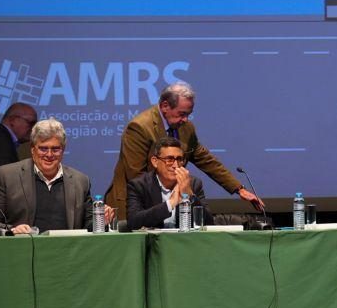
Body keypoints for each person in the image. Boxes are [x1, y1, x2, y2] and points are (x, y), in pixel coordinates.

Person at [105, 82, 263, 219]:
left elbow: (206, 160)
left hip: (167, 202)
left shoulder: (186, 128)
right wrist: (167, 200)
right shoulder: (139, 127)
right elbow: (136, 175)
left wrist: (239, 189)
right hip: (134, 205)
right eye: (182, 114)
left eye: (188, 114)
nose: (186, 119)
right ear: (165, 106)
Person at [0, 118, 114, 234]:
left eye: (55, 149)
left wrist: (102, 220)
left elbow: (88, 225)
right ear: (32, 149)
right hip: (22, 253)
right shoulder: (7, 176)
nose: (49, 155)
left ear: (63, 149)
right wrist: (11, 230)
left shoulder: (80, 181)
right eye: (43, 148)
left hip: (68, 255)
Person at [126, 136, 214, 230]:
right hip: (153, 242)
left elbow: (208, 223)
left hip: (184, 242)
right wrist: (170, 203)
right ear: (155, 161)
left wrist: (190, 195)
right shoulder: (139, 185)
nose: (175, 165)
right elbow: (133, 222)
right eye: (169, 159)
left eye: (179, 159)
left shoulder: (193, 184)